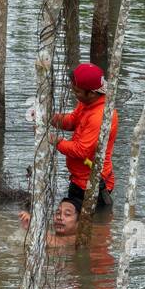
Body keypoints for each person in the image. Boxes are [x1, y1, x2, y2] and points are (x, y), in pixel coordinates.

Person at [49, 63, 118, 210]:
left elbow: (82, 150)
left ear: (92, 93)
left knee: (82, 226)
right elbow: (72, 121)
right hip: (79, 178)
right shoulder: (87, 102)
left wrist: (56, 141)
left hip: (91, 184)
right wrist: (49, 118)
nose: (75, 94)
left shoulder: (100, 116)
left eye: (77, 92)